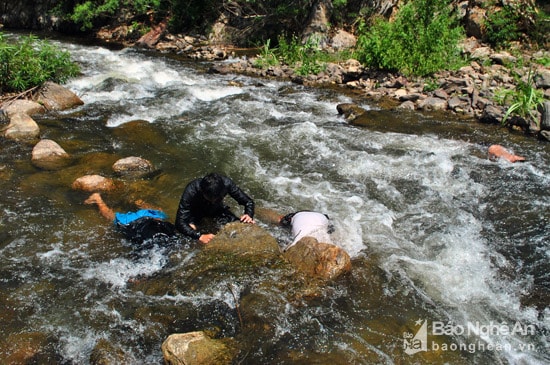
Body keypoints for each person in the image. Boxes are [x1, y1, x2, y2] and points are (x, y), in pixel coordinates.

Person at [175, 172, 255, 244]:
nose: (213, 201)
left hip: (217, 210)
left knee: (240, 226)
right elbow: (179, 221)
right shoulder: (192, 189)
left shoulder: (227, 184)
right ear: (202, 191)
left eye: (217, 198)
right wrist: (199, 236)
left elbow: (248, 202)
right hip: (195, 212)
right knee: (188, 236)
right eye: (210, 198)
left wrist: (248, 214)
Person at [85, 192, 178, 246]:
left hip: (152, 217)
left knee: (161, 213)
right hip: (134, 221)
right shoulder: (152, 244)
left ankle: (140, 203)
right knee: (111, 217)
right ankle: (97, 199)